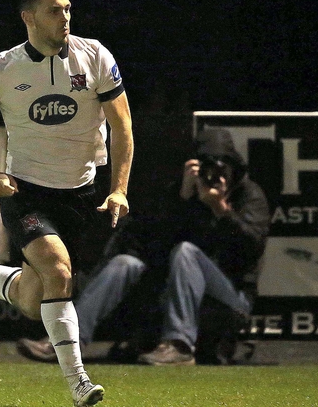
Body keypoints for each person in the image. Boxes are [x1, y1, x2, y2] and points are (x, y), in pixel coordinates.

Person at [0, 0, 133, 407]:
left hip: (82, 193)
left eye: (67, 8)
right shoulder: (2, 70)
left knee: (31, 297)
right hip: (27, 193)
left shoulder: (94, 56)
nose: (65, 17)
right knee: (58, 271)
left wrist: (118, 189)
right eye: (54, 10)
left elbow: (122, 126)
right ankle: (79, 382)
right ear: (29, 17)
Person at [18, 128, 270, 366]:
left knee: (186, 252)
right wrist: (182, 199)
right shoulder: (184, 194)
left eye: (221, 167)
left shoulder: (249, 195)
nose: (214, 175)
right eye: (206, 167)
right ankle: (66, 341)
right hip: (173, 292)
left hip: (230, 295)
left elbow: (251, 248)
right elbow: (151, 245)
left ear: (234, 168)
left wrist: (221, 209)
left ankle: (179, 346)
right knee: (125, 263)